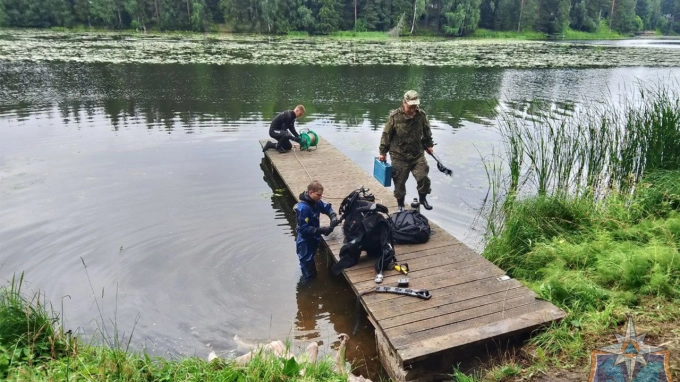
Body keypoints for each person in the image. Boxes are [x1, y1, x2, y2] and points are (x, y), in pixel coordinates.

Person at [378, 90, 435, 212]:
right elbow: (386, 135)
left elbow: (427, 131)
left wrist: (429, 145)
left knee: (423, 177)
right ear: (404, 103)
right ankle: (400, 205)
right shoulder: (394, 117)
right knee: (399, 182)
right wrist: (383, 152)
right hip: (399, 155)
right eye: (410, 107)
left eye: (415, 106)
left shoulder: (421, 115)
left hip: (417, 154)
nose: (413, 109)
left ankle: (423, 198)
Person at [295, 181, 339, 280]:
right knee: (310, 274)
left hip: (314, 238)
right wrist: (322, 230)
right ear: (311, 192)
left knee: (310, 266)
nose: (320, 197)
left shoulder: (316, 202)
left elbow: (326, 208)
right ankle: (305, 290)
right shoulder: (303, 209)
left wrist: (333, 216)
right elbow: (303, 229)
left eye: (321, 195)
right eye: (318, 195)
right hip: (305, 242)